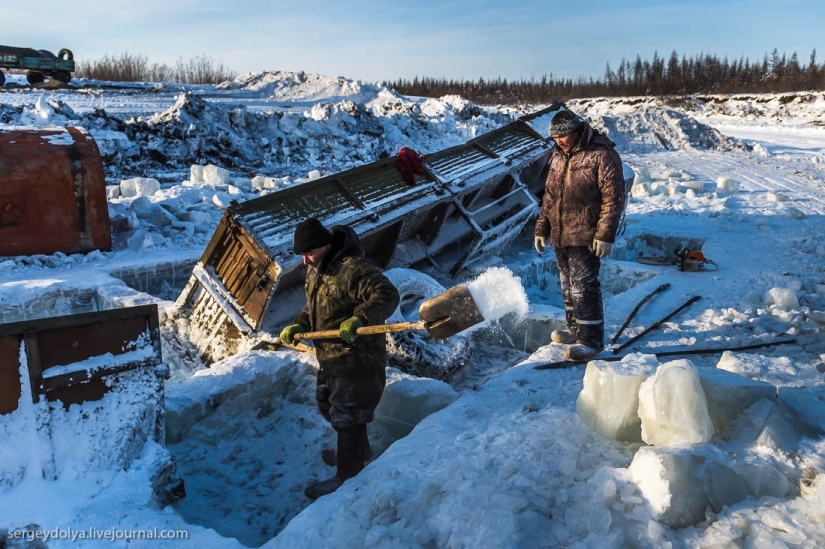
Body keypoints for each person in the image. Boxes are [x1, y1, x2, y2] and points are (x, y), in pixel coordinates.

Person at [279, 217, 400, 500]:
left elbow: (387, 295)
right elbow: (316, 307)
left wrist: (360, 318)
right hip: (331, 357)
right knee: (329, 407)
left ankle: (348, 475)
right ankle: (358, 449)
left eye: (309, 253)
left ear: (326, 245)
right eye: (302, 255)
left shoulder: (353, 270)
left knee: (348, 418)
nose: (305, 261)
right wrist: (300, 324)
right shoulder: (317, 270)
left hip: (357, 359)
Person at [534, 109, 626, 360]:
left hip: (587, 232)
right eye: (555, 137)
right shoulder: (558, 156)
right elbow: (549, 196)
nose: (558, 141)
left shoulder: (602, 155)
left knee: (583, 286)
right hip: (561, 232)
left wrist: (605, 234)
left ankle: (591, 339)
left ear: (577, 132)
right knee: (567, 284)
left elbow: (613, 198)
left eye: (562, 136)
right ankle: (575, 328)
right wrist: (542, 227)